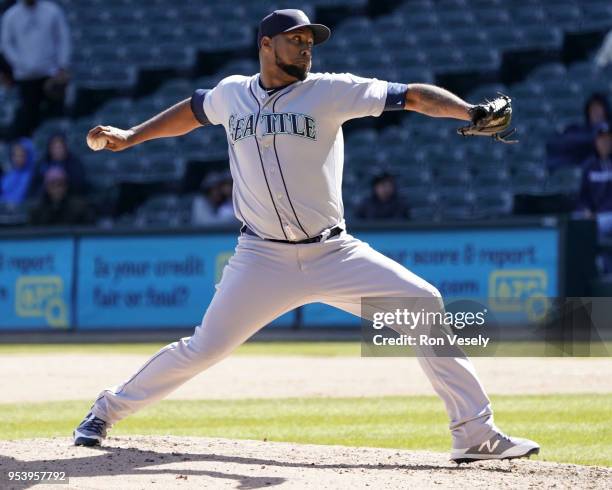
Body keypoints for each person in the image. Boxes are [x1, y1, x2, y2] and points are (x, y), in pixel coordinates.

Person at [74, 9, 539, 463]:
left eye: (309, 41)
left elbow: (412, 96)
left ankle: (474, 434)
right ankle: (104, 411)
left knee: (423, 301)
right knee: (204, 348)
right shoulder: (231, 94)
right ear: (266, 45)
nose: (306, 48)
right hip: (260, 257)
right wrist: (132, 135)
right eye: (296, 39)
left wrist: (469, 110)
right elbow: (194, 110)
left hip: (333, 252)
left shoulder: (330, 91)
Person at [1, 0, 71, 137]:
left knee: (53, 117)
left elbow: (63, 38)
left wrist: (62, 64)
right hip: (25, 77)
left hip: (51, 75)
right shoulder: (11, 15)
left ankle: (56, 150)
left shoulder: (52, 11)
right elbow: (6, 44)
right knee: (28, 117)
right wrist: (20, 63)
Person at [546, 93, 610, 171]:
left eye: (599, 109)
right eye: (593, 109)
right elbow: (555, 142)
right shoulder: (577, 130)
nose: (596, 112)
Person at [0, 137, 35, 204]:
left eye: (21, 155)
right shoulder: (9, 175)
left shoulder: (32, 176)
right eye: (15, 155)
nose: (17, 159)